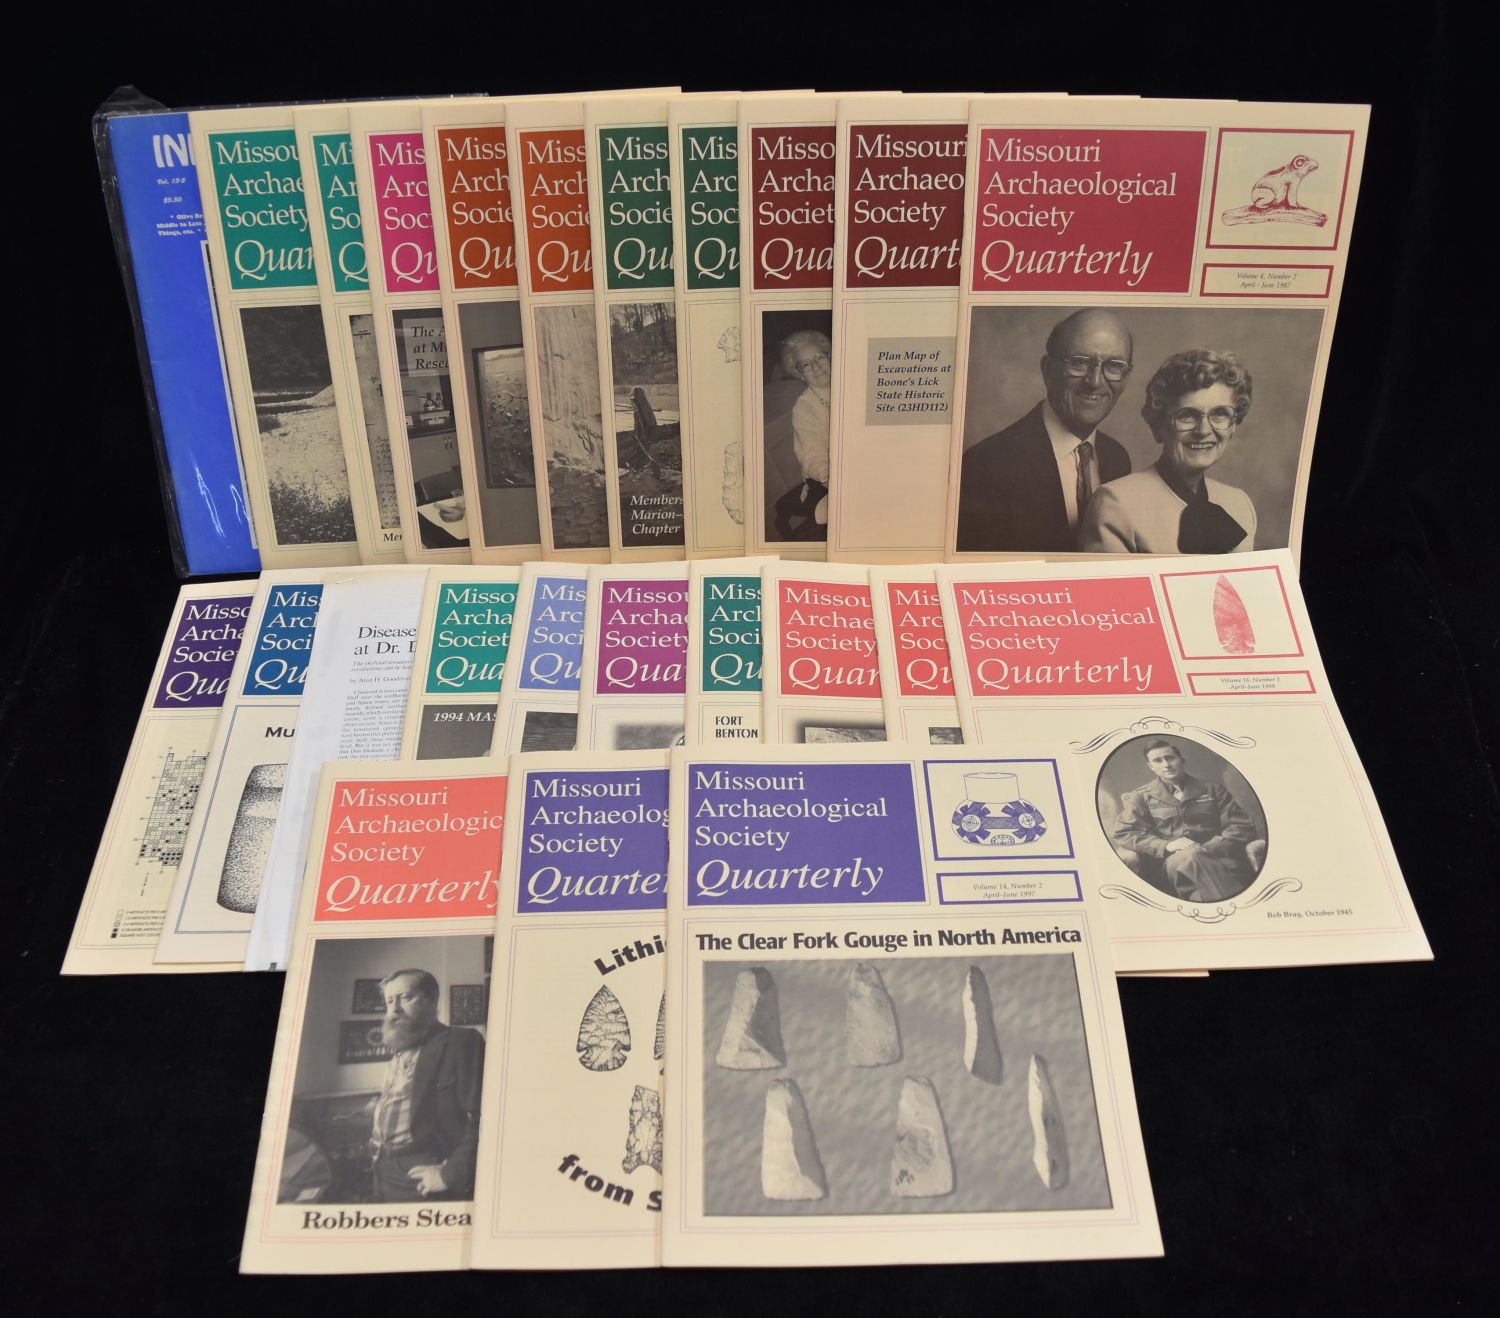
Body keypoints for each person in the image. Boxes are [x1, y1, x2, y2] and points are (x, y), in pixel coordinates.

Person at [955, 309, 1134, 552]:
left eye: (1114, 366)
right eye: (1080, 362)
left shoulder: (1117, 459)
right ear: (1048, 370)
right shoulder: (984, 466)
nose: (1095, 381)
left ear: (1126, 377)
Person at [1079, 348, 1257, 553]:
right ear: (1158, 425)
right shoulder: (1117, 503)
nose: (1203, 431)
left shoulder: (1238, 503)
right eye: (1187, 415)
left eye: (1220, 414)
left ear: (1233, 425)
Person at [367, 967, 484, 1203]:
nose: (394, 1008)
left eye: (405, 998)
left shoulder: (461, 1042)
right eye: (389, 1001)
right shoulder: (400, 1048)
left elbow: (487, 1116)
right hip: (381, 1164)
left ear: (431, 999)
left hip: (423, 1169)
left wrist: (450, 1173)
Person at [1112, 739, 1260, 903]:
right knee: (1190, 857)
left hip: (1216, 857)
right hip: (1173, 863)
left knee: (1199, 894)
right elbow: (1124, 833)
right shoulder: (1141, 797)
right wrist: (1166, 845)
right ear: (1151, 766)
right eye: (1158, 760)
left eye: (1170, 758)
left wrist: (1208, 847)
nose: (1166, 764)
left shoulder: (1213, 789)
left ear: (1181, 760)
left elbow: (1242, 826)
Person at [772, 329, 832, 539]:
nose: (816, 366)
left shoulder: (850, 383)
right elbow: (813, 455)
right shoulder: (804, 408)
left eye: (819, 357)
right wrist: (833, 478)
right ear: (799, 374)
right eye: (805, 364)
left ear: (829, 356)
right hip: (824, 477)